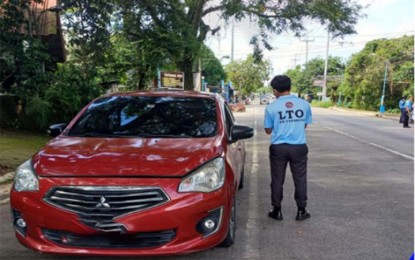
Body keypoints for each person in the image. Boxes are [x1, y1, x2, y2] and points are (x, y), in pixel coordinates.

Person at [264, 75, 312, 221]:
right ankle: (301, 210)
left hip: (278, 148)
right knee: (300, 179)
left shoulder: (271, 107)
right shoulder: (304, 104)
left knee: (277, 179)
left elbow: (268, 130)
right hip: (299, 147)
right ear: (290, 87)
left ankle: (277, 210)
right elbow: (304, 124)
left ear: (275, 90)